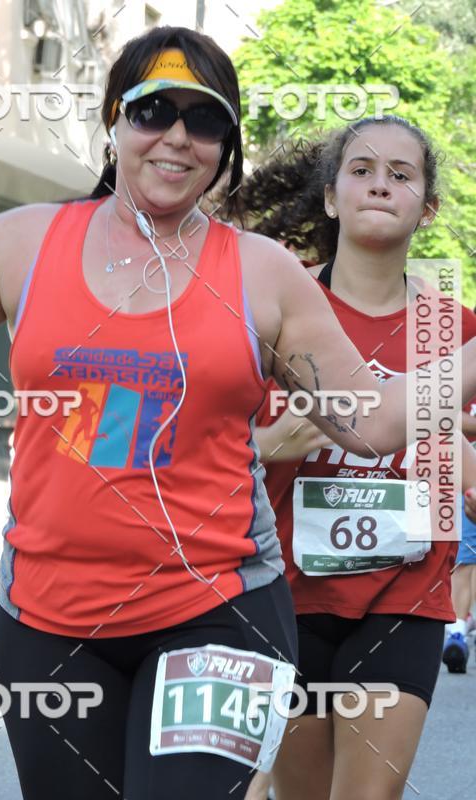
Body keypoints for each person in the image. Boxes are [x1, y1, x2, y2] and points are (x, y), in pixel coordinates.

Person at [0, 29, 475, 800]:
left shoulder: (263, 273)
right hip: (47, 623)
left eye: (206, 120)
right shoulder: (20, 245)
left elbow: (374, 423)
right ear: (114, 120)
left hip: (219, 615)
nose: (178, 137)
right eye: (154, 110)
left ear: (226, 145)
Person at [241, 116, 476, 800]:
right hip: (285, 593)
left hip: (404, 594)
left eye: (401, 175)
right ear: (330, 197)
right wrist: (272, 444)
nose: (380, 185)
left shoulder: (454, 330)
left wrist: (457, 455)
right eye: (362, 170)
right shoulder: (275, 310)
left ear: (427, 208)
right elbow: (199, 452)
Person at [442, 386, 476, 672]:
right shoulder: (466, 372)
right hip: (467, 465)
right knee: (465, 554)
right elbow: (445, 415)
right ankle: (457, 632)